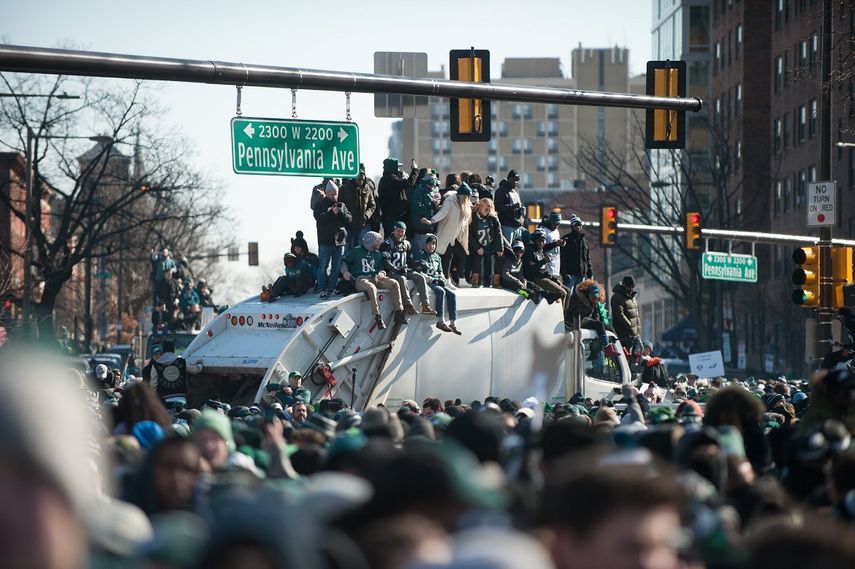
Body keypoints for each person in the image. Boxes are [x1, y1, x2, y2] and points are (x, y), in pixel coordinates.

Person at [341, 231, 406, 330]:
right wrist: (345, 272)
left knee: (394, 283)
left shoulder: (377, 254)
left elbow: (382, 268)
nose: (379, 243)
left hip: (375, 277)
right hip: (361, 279)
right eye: (378, 241)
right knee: (371, 288)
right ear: (371, 241)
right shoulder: (356, 251)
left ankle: (399, 313)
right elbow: (344, 262)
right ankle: (377, 316)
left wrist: (382, 273)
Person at [425, 182, 474, 287]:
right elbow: (443, 213)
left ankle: (461, 279)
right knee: (448, 257)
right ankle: (446, 279)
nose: (467, 199)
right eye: (466, 196)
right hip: (446, 234)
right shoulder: (450, 201)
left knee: (462, 253)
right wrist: (432, 220)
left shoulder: (466, 204)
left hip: (456, 236)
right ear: (461, 195)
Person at [379, 221, 432, 315]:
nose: (400, 233)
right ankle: (408, 305)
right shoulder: (387, 243)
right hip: (391, 272)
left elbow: (409, 261)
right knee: (402, 278)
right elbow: (385, 262)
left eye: (402, 231)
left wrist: (417, 264)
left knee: (420, 277)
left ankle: (425, 305)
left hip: (403, 270)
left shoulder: (407, 244)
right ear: (393, 231)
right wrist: (397, 269)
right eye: (398, 231)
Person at [412, 234, 461, 335]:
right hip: (428, 282)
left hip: (438, 281)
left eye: (434, 244)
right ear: (425, 244)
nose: (432, 246)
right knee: (440, 291)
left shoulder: (437, 256)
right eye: (429, 244)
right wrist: (431, 279)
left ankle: (453, 322)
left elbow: (440, 271)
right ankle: (440, 321)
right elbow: (418, 271)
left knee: (452, 295)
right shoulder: (420, 254)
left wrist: (442, 278)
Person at [313, 179, 352, 297]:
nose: (334, 197)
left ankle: (332, 288)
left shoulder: (341, 205)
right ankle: (322, 289)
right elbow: (319, 218)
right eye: (331, 194)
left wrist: (341, 213)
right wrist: (332, 213)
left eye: (336, 194)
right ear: (327, 193)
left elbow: (350, 219)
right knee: (323, 266)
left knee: (336, 267)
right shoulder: (320, 204)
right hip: (325, 242)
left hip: (339, 242)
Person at [566, 280, 620, 358]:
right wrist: (594, 322)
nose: (594, 299)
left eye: (596, 297)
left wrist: (597, 322)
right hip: (576, 321)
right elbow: (573, 313)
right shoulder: (576, 297)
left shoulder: (595, 302)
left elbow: (596, 316)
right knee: (599, 324)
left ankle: (616, 346)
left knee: (609, 327)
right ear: (588, 293)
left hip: (588, 320)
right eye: (593, 297)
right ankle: (607, 348)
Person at [523, 229, 570, 309]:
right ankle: (561, 319)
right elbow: (529, 269)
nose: (542, 243)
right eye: (539, 240)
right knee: (563, 293)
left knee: (568, 291)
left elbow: (544, 270)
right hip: (535, 278)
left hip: (544, 277)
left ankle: (565, 318)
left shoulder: (541, 250)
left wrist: (554, 279)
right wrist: (543, 261)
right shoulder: (529, 250)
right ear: (534, 240)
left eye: (543, 240)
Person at [340, 165, 377, 251]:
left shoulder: (367, 189)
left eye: (362, 179)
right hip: (348, 225)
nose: (360, 181)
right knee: (348, 249)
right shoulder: (344, 189)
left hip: (362, 225)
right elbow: (340, 205)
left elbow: (372, 205)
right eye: (358, 179)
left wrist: (366, 215)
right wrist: (347, 216)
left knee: (360, 249)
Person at [378, 158, 418, 236]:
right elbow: (409, 183)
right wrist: (415, 170)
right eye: (398, 168)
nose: (399, 170)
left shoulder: (384, 179)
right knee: (393, 241)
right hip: (393, 219)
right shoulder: (391, 178)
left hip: (388, 217)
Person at [469, 197, 503, 288]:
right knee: (477, 259)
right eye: (485, 207)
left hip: (490, 244)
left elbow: (498, 233)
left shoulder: (493, 218)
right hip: (478, 244)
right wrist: (477, 247)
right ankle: (475, 281)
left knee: (492, 260)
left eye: (489, 208)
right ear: (480, 206)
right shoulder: (473, 217)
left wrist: (500, 248)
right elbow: (470, 234)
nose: (487, 210)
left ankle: (491, 282)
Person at [560, 215, 593, 293]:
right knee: (568, 294)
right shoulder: (566, 239)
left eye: (580, 225)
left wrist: (590, 273)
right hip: (570, 274)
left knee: (579, 296)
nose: (578, 227)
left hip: (582, 275)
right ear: (572, 226)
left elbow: (587, 258)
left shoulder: (584, 241)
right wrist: (564, 274)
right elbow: (562, 258)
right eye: (576, 225)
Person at [410, 172, 442, 252]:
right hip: (420, 228)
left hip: (430, 228)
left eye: (433, 185)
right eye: (430, 185)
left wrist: (437, 206)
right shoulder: (418, 192)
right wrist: (432, 204)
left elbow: (433, 209)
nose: (432, 187)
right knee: (419, 252)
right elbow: (417, 208)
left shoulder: (432, 192)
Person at [610, 275, 641, 354]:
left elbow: (636, 315)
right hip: (624, 335)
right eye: (629, 287)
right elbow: (619, 315)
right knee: (625, 357)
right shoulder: (617, 297)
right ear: (624, 286)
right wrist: (630, 327)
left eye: (632, 287)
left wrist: (637, 332)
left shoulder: (632, 297)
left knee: (634, 359)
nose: (631, 289)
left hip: (633, 335)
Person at [494, 169, 526, 243]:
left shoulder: (515, 191)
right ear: (508, 179)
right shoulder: (501, 190)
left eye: (517, 180)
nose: (516, 182)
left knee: (519, 251)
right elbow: (497, 207)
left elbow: (518, 206)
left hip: (518, 226)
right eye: (514, 180)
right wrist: (512, 207)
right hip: (507, 226)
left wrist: (521, 210)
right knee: (508, 251)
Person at [540, 211, 564, 278]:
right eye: (555, 224)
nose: (556, 226)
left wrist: (561, 244)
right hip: (547, 268)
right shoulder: (543, 230)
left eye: (558, 224)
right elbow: (540, 248)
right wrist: (555, 244)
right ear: (550, 222)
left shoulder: (556, 231)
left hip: (556, 268)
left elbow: (556, 246)